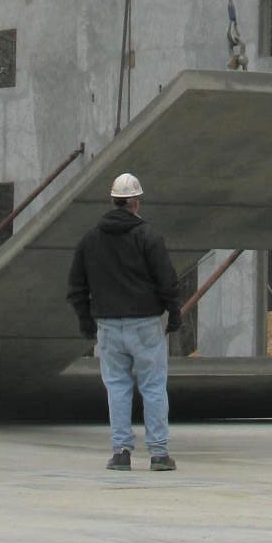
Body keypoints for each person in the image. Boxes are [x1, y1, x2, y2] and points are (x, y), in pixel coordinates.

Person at [66, 172, 182, 471]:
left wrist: (85, 321)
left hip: (108, 325)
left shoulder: (90, 239)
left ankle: (121, 452)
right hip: (144, 323)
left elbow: (77, 286)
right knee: (154, 387)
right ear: (135, 203)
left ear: (113, 200)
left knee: (117, 387)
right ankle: (158, 454)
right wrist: (174, 312)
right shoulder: (148, 236)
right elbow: (166, 280)